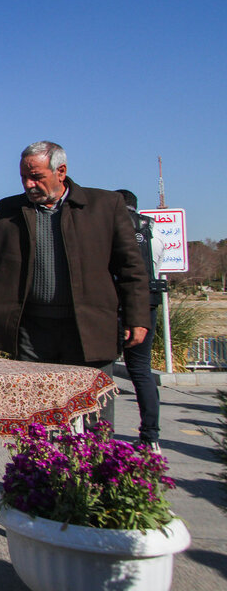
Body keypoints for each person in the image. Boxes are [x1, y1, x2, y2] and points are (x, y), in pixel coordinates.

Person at [0, 141, 150, 369]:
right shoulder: (9, 211)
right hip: (31, 331)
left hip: (88, 330)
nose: (28, 185)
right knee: (36, 404)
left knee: (90, 404)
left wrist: (137, 318)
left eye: (36, 177)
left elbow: (131, 268)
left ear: (61, 172)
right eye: (24, 178)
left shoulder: (105, 206)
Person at [115, 189, 166, 451]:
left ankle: (95, 434)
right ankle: (151, 436)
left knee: (99, 369)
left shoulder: (112, 230)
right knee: (142, 372)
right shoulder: (152, 234)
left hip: (116, 306)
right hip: (147, 305)